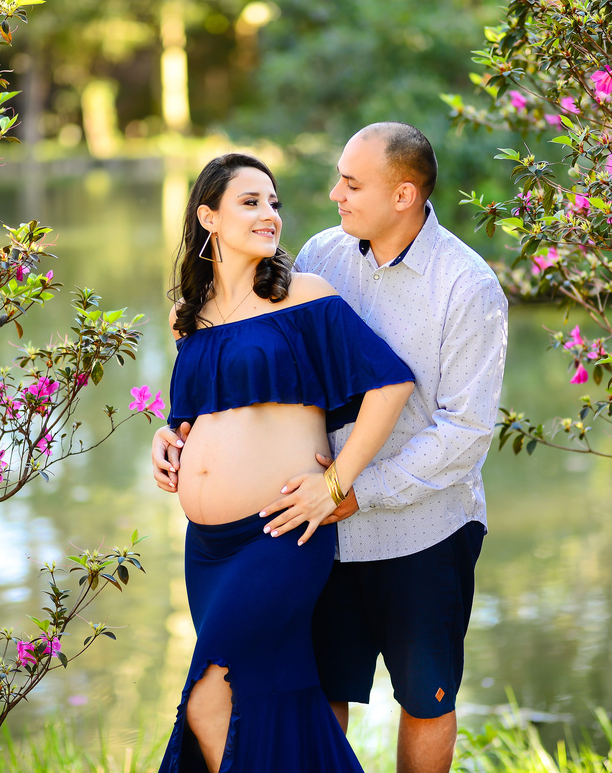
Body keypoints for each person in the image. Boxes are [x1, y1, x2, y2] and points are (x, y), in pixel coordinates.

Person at [153, 123, 508, 773]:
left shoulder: (467, 285)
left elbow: (466, 433)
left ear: (402, 195)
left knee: (425, 699)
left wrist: (347, 486)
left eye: (351, 182)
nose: (334, 193)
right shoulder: (323, 254)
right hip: (312, 525)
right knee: (312, 691)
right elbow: (253, 361)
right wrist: (177, 431)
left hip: (416, 530)